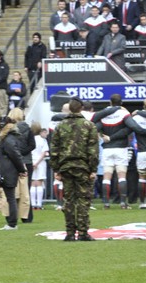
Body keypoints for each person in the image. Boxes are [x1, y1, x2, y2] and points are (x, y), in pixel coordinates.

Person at [52, 97, 99, 241]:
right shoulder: (89, 125)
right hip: (83, 167)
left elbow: (55, 149)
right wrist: (93, 169)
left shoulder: (60, 126)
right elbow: (93, 150)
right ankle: (83, 232)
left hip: (66, 167)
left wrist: (56, 169)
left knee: (69, 200)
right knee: (83, 200)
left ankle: (70, 233)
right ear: (81, 108)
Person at [0, 116, 27, 231]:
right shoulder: (9, 138)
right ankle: (11, 223)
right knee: (10, 197)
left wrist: (22, 170)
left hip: (8, 171)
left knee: (10, 198)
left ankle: (12, 223)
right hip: (9, 170)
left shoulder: (8, 139)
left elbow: (15, 155)